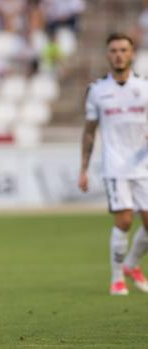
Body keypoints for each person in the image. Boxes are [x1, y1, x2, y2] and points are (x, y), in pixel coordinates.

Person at [79, 32, 148, 296]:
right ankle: (117, 278)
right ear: (108, 55)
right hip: (115, 165)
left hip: (144, 165)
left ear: (131, 53)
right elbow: (88, 131)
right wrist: (83, 169)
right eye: (114, 50)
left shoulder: (144, 88)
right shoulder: (97, 91)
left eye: (123, 50)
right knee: (124, 221)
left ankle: (131, 265)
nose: (119, 54)